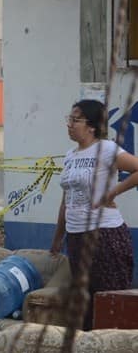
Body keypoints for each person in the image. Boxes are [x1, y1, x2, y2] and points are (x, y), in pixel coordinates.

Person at [50, 99, 138, 330]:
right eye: (69, 119)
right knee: (85, 301)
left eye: (75, 120)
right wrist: (58, 237)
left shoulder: (107, 149)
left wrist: (113, 193)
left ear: (92, 126)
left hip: (104, 236)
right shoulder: (70, 156)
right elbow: (65, 200)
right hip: (77, 236)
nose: (69, 124)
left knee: (110, 297)